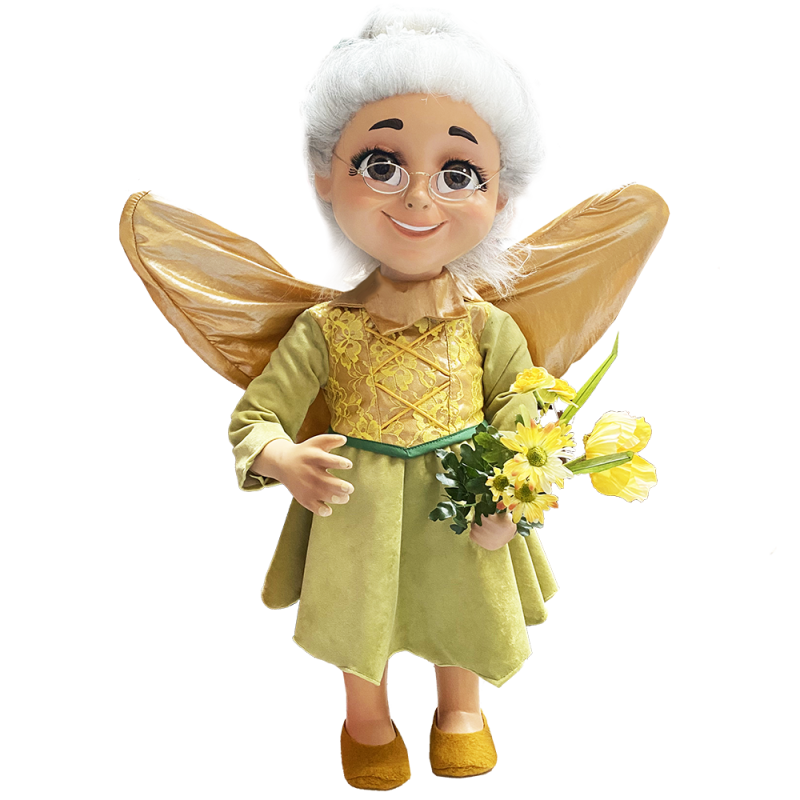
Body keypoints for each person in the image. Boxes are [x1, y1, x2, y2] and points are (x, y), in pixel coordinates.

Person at [121, 4, 669, 790]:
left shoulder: (486, 327)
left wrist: (515, 493)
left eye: (459, 174)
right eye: (380, 164)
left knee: (462, 601)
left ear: (505, 202)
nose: (418, 200)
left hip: (462, 499)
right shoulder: (324, 329)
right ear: (324, 177)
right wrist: (283, 458)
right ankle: (367, 719)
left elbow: (522, 418)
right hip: (358, 507)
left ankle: (460, 707)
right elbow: (256, 416)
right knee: (360, 613)